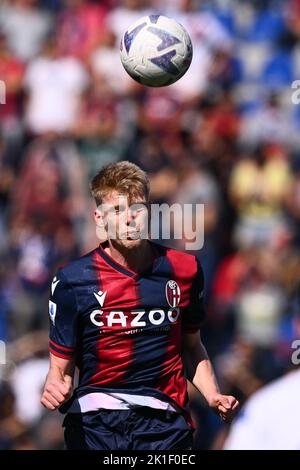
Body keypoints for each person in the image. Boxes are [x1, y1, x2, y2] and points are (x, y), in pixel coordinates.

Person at [41, 161, 239, 450]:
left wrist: (212, 395)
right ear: (99, 219)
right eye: (118, 211)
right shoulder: (72, 281)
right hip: (96, 423)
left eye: (137, 209)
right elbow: (60, 368)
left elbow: (192, 346)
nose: (129, 219)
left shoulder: (185, 270)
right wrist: (54, 385)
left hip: (166, 423)